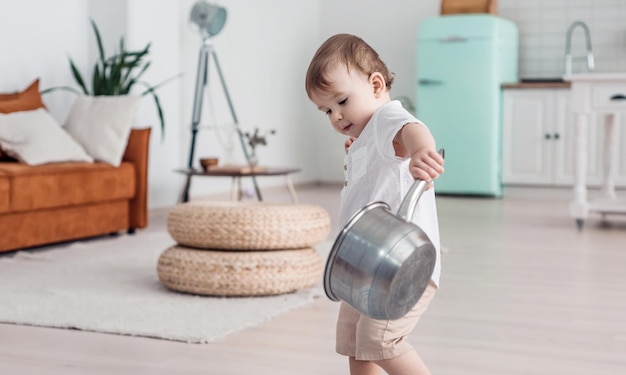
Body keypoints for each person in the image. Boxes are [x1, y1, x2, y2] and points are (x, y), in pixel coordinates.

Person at [304, 33, 445, 375]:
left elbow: (411, 130)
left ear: (377, 84)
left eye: (341, 101)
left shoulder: (387, 119)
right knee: (355, 344)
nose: (336, 116)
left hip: (403, 264)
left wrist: (422, 152)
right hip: (364, 264)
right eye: (327, 110)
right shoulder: (365, 138)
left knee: (381, 341)